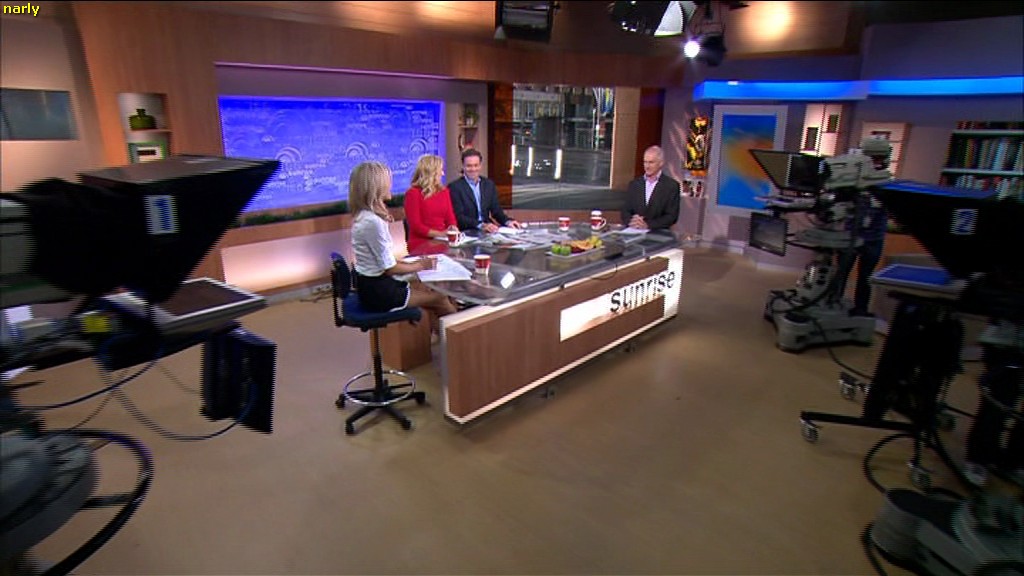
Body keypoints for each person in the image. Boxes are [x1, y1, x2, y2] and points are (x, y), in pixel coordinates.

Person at [348, 161, 457, 332]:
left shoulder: (366, 217)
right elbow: (389, 268)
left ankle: (446, 339)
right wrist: (421, 265)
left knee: (427, 289)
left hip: (372, 285)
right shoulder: (372, 222)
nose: (390, 185)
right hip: (379, 292)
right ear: (376, 187)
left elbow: (385, 261)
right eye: (387, 181)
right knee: (440, 298)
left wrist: (415, 265)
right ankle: (463, 341)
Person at [831, 139, 891, 317]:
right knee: (841, 274)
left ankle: (861, 310)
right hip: (850, 236)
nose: (876, 163)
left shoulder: (887, 182)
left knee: (865, 277)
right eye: (873, 158)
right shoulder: (851, 179)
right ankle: (833, 304)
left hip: (874, 238)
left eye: (879, 158)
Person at [449, 148, 521, 234]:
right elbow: (459, 217)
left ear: (480, 166)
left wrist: (508, 221)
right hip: (467, 232)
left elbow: (496, 210)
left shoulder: (488, 184)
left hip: (488, 231)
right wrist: (481, 225)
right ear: (463, 166)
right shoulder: (454, 187)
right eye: (469, 166)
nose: (473, 169)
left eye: (476, 165)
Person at [403, 154, 458, 254]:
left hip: (443, 240)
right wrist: (440, 234)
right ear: (431, 173)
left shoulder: (444, 192)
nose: (442, 174)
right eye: (440, 170)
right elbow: (416, 226)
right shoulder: (413, 194)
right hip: (421, 243)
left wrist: (453, 228)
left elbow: (450, 217)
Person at [622, 145, 681, 233]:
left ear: (661, 163)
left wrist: (648, 225)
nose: (647, 166)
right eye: (645, 162)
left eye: (651, 162)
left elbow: (671, 216)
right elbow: (625, 211)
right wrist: (632, 221)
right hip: (634, 232)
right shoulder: (634, 184)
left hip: (658, 234)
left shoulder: (671, 186)